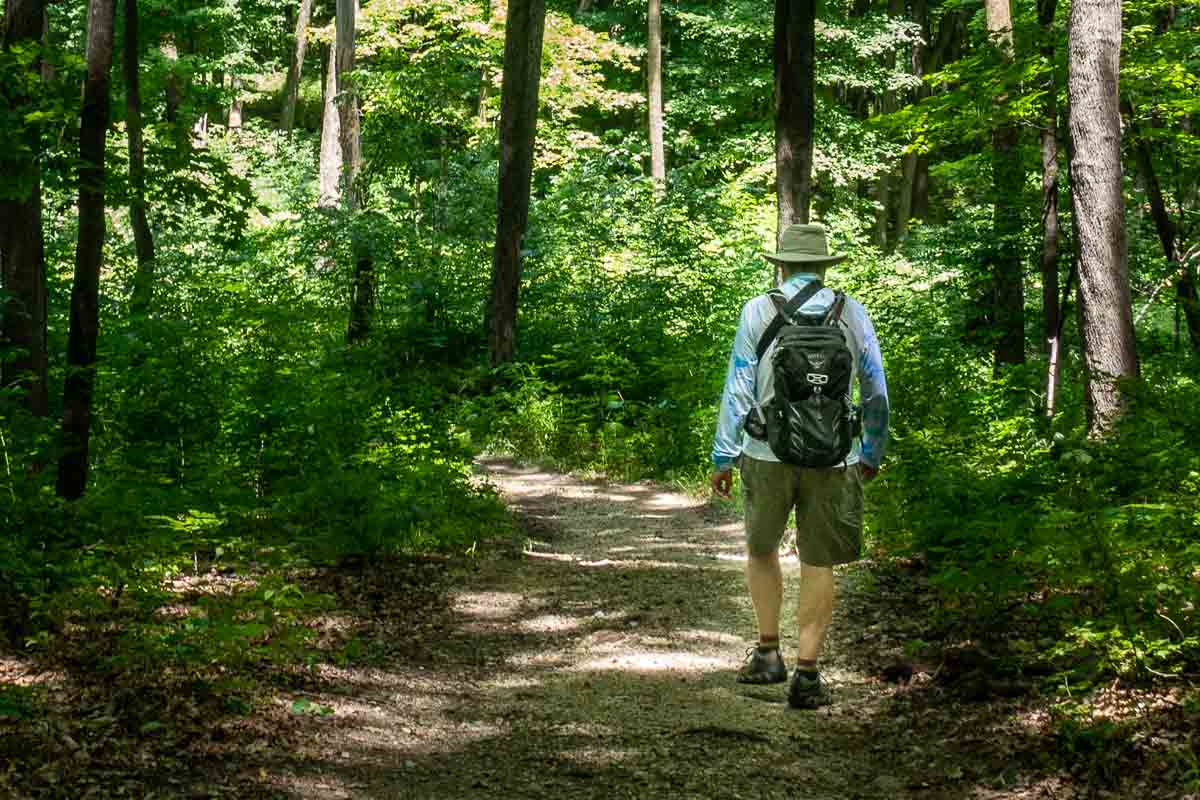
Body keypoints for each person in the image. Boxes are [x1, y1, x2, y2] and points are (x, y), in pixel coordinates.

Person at [710, 223, 889, 709]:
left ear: (781, 264)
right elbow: (874, 389)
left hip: (766, 452)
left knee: (762, 548)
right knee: (819, 560)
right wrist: (871, 451)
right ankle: (807, 675)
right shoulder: (851, 312)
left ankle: (769, 653)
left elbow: (739, 386)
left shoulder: (758, 311)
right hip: (834, 458)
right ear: (824, 266)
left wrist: (724, 454)